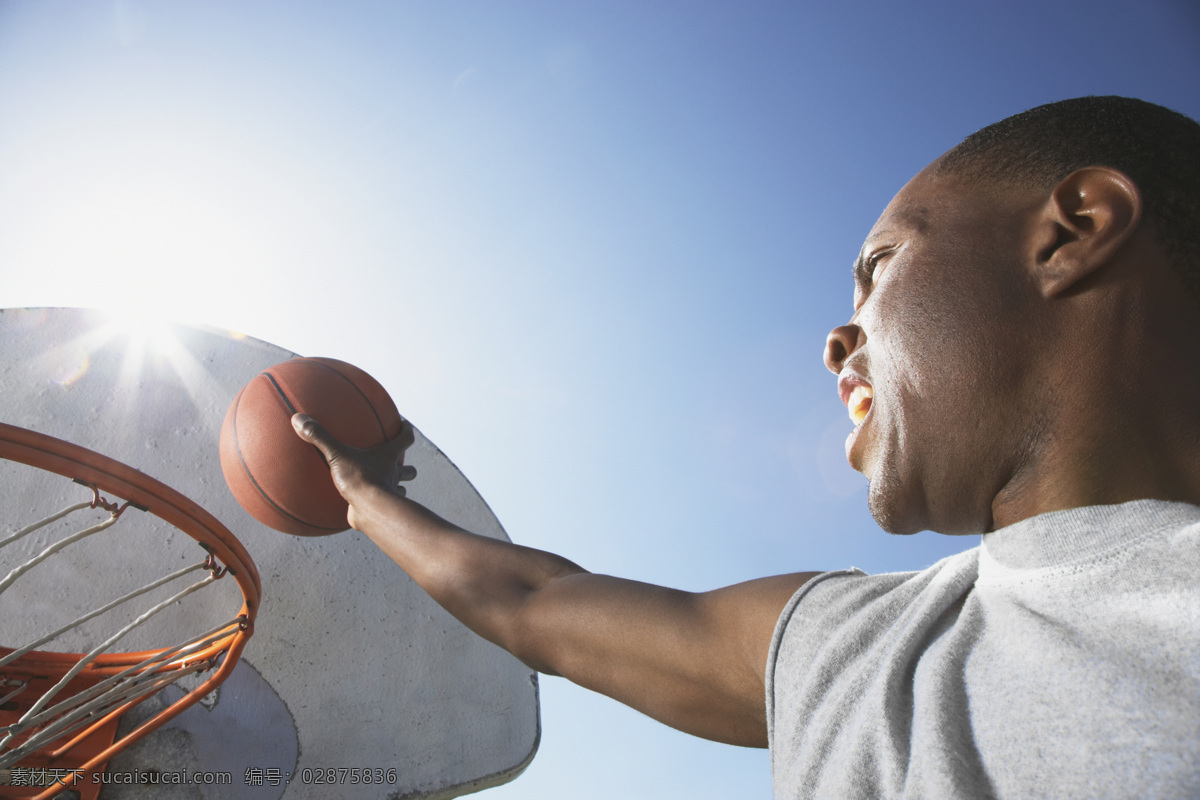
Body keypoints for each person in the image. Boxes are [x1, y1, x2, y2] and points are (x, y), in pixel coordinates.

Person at [292, 96, 1200, 799]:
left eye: (879, 268)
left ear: (1073, 231)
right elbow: (536, 600)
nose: (836, 343)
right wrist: (363, 497)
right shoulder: (858, 644)